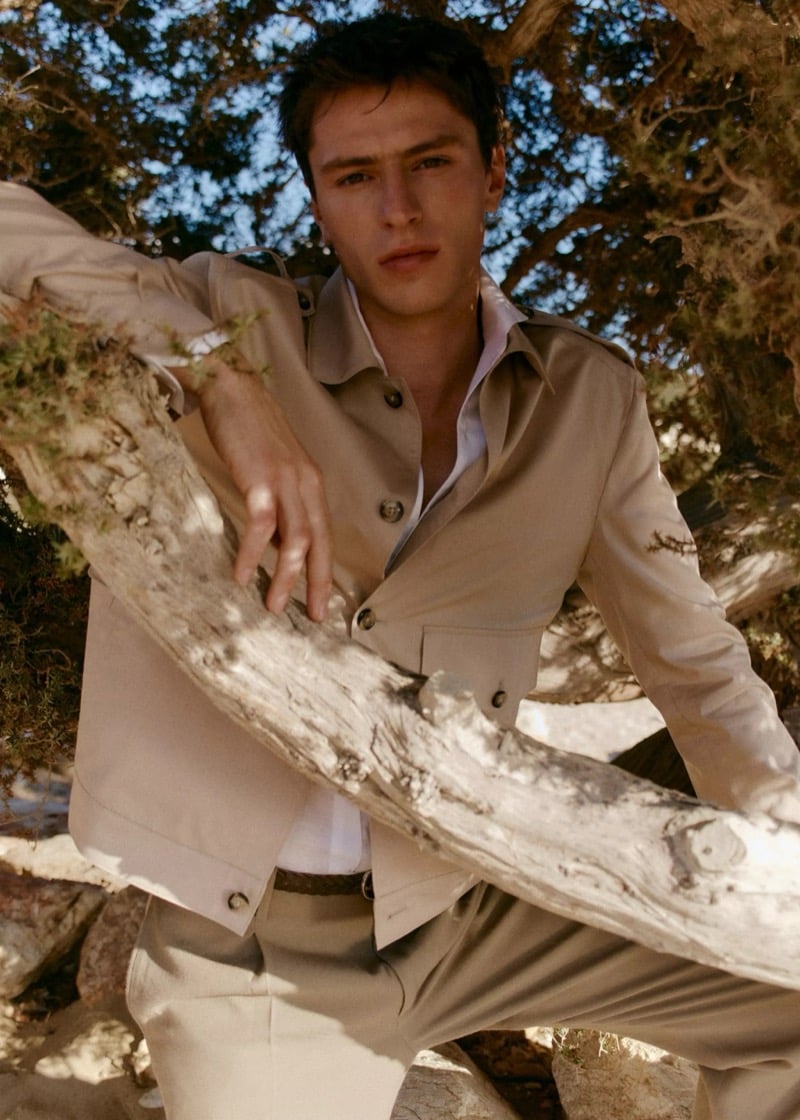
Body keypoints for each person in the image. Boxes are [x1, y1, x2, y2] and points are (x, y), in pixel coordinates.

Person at [1, 14, 799, 1119]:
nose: (397, 208)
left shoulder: (590, 397)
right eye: (354, 176)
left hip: (485, 899)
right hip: (255, 949)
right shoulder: (226, 316)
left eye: (429, 162)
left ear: (493, 169)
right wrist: (224, 383)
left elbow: (694, 662)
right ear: (315, 200)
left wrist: (782, 856)